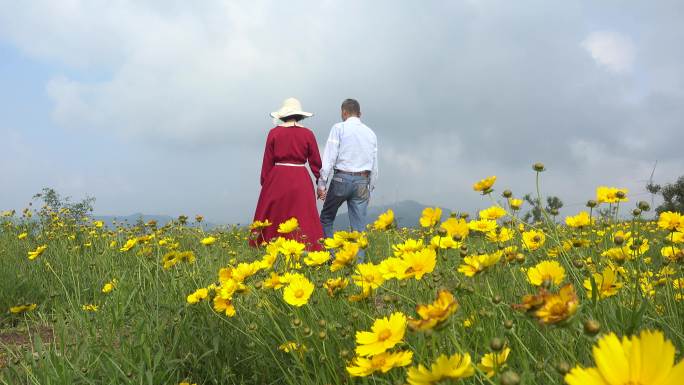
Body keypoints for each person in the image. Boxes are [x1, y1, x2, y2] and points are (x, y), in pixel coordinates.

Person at [250, 97, 324, 251]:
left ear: (282, 115)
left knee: (277, 216)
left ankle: (273, 247)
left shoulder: (274, 133)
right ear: (299, 115)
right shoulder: (308, 134)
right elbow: (316, 162)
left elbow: (267, 162)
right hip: (301, 178)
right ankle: (306, 249)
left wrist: (266, 184)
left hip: (278, 178)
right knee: (303, 215)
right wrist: (321, 183)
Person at [317, 98, 378, 241]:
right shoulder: (371, 134)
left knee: (326, 218)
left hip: (341, 179)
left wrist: (322, 184)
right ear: (360, 114)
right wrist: (370, 189)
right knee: (359, 229)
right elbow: (374, 166)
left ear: (344, 113)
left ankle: (331, 257)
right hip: (363, 181)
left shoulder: (339, 128)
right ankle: (358, 262)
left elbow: (329, 158)